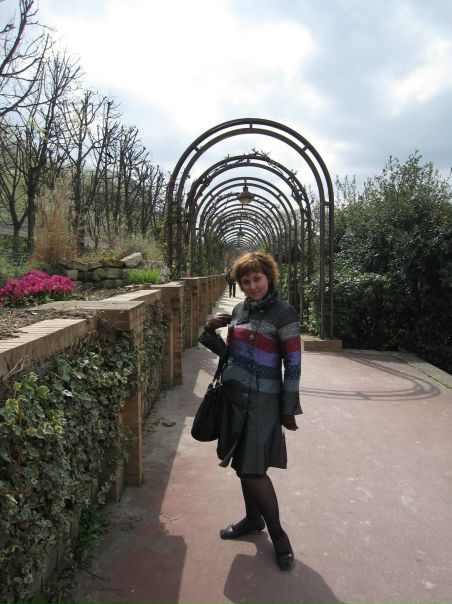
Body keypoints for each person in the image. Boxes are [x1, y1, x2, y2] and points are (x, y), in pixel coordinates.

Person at [199, 252, 302, 571]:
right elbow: (230, 354)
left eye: (257, 279)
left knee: (253, 470)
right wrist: (209, 331)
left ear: (269, 276)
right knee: (243, 464)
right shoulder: (239, 310)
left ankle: (279, 535)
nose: (252, 286)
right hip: (233, 399)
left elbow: (293, 363)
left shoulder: (283, 313)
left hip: (263, 402)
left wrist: (288, 408)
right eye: (245, 281)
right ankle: (252, 519)